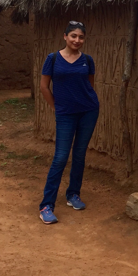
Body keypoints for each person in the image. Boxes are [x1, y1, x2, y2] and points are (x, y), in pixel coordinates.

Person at [38, 21, 100, 224]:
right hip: (65, 114)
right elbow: (44, 86)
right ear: (65, 36)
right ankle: (47, 205)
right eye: (73, 36)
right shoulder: (53, 59)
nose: (77, 40)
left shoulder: (87, 60)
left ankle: (73, 194)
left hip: (88, 111)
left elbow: (89, 85)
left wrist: (88, 103)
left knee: (80, 154)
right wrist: (56, 106)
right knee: (61, 157)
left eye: (81, 37)